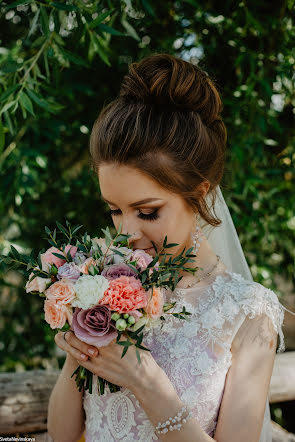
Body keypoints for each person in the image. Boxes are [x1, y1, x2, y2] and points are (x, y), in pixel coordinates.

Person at [48, 53, 290, 442]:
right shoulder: (108, 287)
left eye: (147, 212)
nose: (126, 235)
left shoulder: (250, 314)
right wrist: (78, 356)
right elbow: (62, 434)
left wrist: (147, 384)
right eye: (114, 210)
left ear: (198, 196)